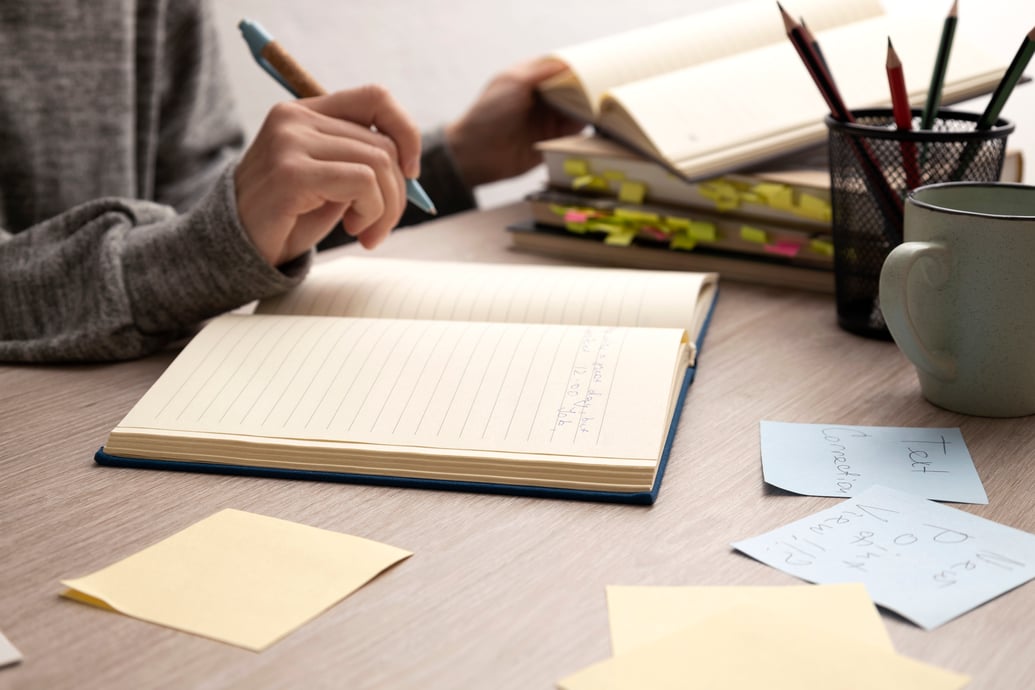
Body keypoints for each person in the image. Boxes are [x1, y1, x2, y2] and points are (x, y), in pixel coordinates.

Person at [0, 1, 581, 363]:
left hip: (121, 399)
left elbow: (185, 219)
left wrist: (457, 158)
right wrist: (209, 245)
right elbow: (191, 247)